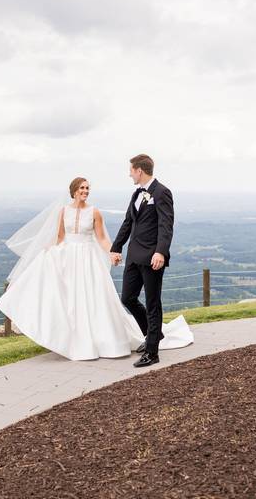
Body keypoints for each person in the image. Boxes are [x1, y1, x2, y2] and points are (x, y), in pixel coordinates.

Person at [0, 173, 192, 362]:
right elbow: (59, 237)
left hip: (87, 259)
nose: (85, 191)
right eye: (82, 188)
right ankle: (72, 339)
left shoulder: (94, 212)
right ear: (73, 191)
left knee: (92, 297)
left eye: (87, 188)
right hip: (68, 257)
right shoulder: (63, 211)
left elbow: (101, 238)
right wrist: (47, 252)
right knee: (69, 299)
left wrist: (112, 252)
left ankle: (116, 339)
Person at [110, 154, 174, 367]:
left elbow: (166, 225)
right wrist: (116, 247)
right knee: (127, 298)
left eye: (131, 170)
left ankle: (152, 352)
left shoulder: (162, 192)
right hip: (133, 256)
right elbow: (128, 222)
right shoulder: (136, 193)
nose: (129, 174)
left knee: (153, 302)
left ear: (139, 170)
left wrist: (161, 252)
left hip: (152, 258)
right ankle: (153, 334)